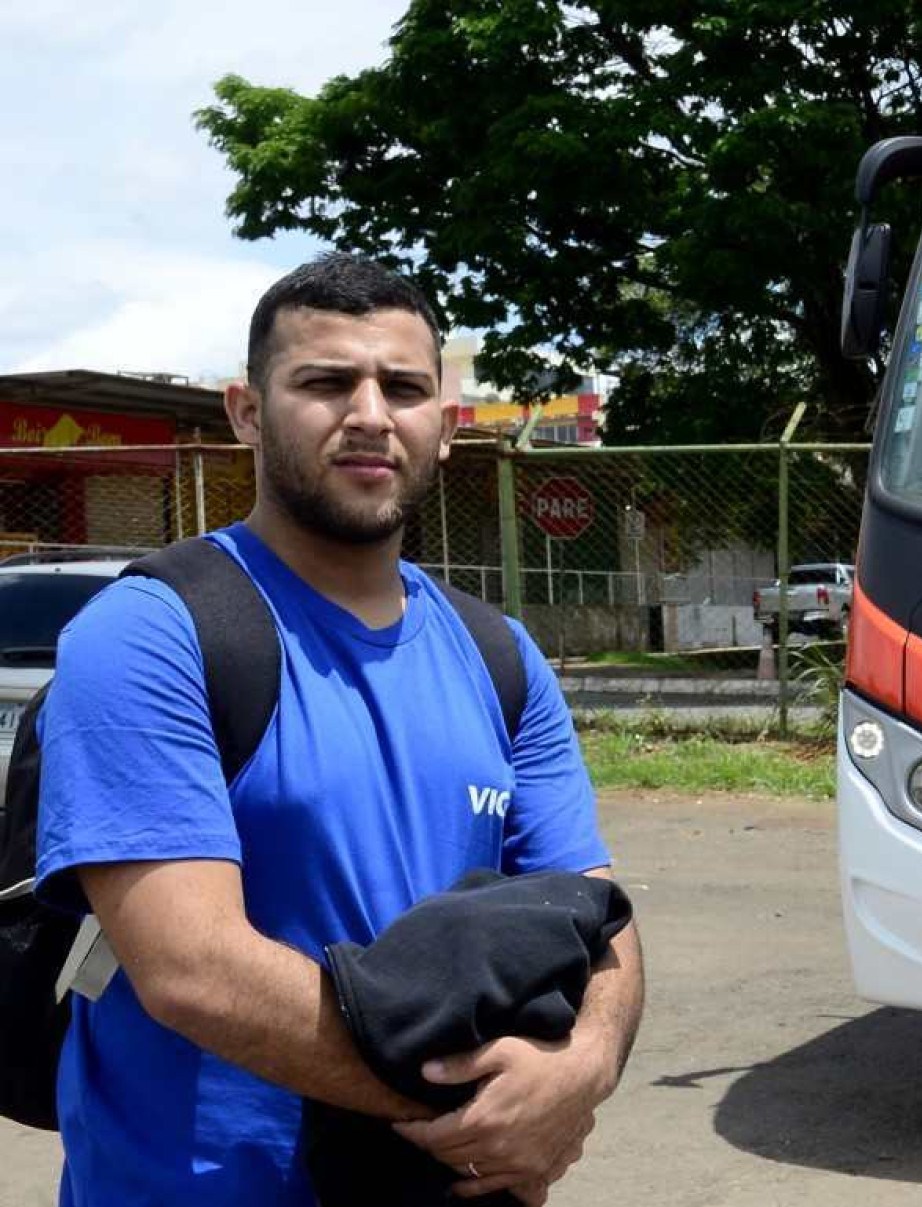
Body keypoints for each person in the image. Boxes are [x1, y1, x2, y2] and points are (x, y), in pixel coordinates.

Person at [33, 252, 643, 1206]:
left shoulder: (500, 654)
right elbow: (189, 967)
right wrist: (467, 1116)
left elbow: (596, 913)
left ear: (442, 428)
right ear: (246, 411)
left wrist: (583, 1069)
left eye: (402, 387)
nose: (368, 413)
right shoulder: (152, 632)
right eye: (324, 382)